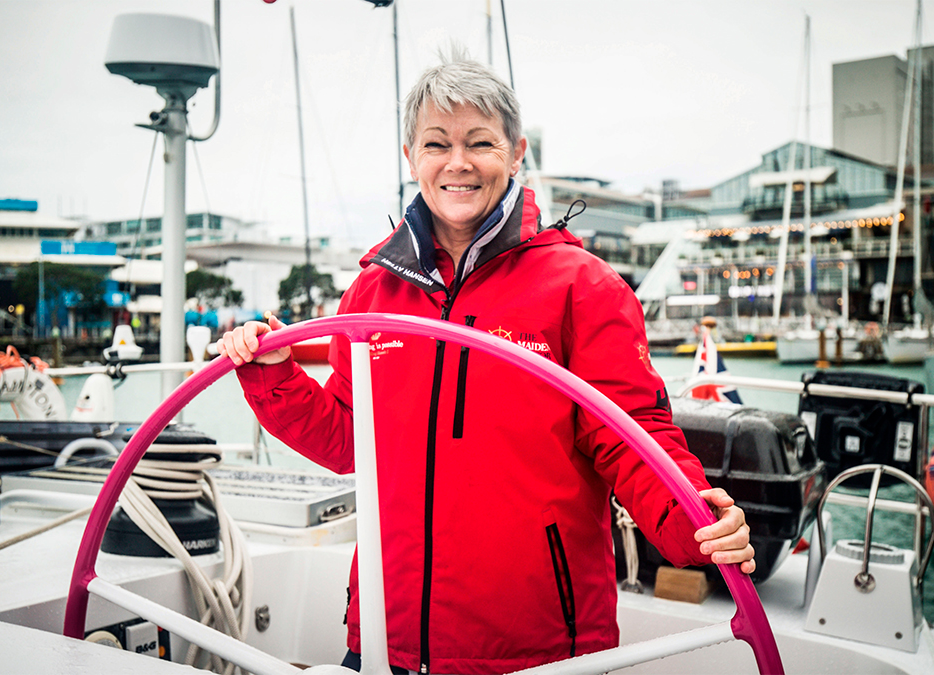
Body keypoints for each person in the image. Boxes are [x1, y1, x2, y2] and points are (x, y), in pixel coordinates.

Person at [217, 52, 753, 675]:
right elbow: (346, 436)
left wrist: (695, 522)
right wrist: (270, 369)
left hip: (536, 648)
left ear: (516, 151)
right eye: (437, 144)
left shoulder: (584, 287)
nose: (458, 163)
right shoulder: (372, 291)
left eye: (480, 142)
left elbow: (633, 436)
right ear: (410, 157)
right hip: (385, 638)